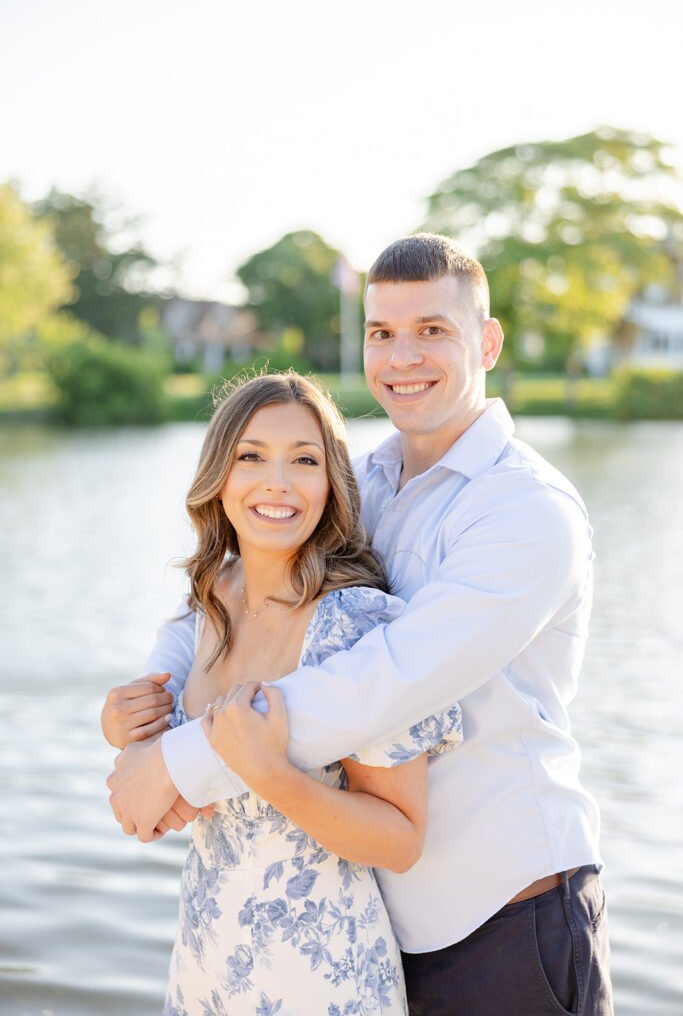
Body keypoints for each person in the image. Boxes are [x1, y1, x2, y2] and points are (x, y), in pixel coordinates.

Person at [107, 234, 613, 1015]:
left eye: (431, 330)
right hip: (372, 919)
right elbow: (239, 587)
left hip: (506, 914)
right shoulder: (363, 483)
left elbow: (383, 684)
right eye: (382, 332)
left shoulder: (524, 512)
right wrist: (151, 697)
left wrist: (179, 765)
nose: (401, 356)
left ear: (486, 341)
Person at [103, 371, 462, 1015]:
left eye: (304, 460)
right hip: (205, 964)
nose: (278, 482)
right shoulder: (210, 599)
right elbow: (153, 761)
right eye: (251, 457)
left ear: (331, 483)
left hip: (321, 978)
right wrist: (120, 720)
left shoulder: (353, 624)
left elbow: (401, 839)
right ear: (219, 476)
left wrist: (270, 773)